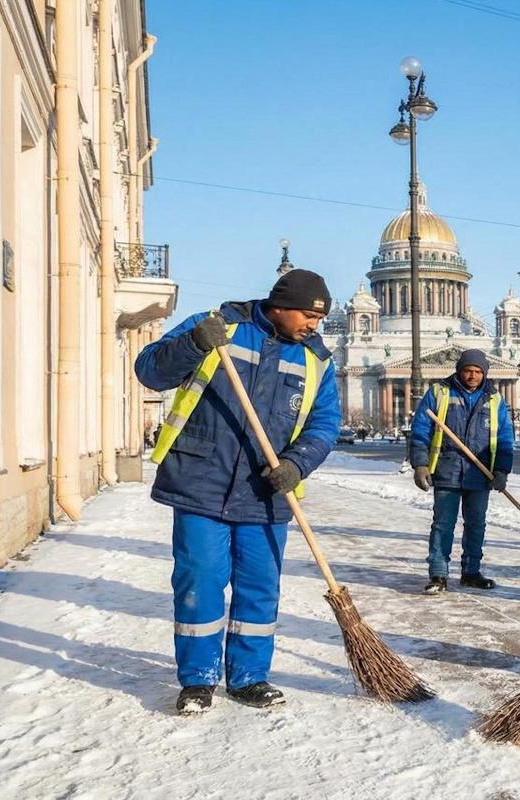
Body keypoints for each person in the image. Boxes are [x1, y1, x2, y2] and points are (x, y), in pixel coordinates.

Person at [135, 269, 340, 715]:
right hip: (199, 481)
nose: (314, 326)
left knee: (259, 588)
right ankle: (198, 679)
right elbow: (149, 370)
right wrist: (192, 344)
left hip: (267, 494)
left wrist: (296, 464)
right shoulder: (218, 327)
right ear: (280, 306)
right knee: (200, 582)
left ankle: (249, 677)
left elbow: (325, 426)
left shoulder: (317, 360)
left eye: (319, 319)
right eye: (308, 315)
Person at [409, 349, 514, 595]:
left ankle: (471, 572)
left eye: (478, 372)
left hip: (480, 474)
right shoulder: (440, 392)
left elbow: (505, 437)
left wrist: (502, 469)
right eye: (468, 370)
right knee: (443, 525)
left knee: (476, 524)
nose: (473, 376)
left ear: (484, 373)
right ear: (459, 370)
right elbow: (421, 429)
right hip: (447, 470)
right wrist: (420, 463)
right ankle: (438, 573)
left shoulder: (494, 399)